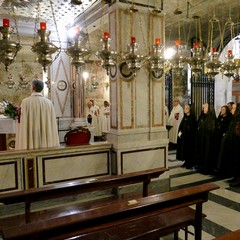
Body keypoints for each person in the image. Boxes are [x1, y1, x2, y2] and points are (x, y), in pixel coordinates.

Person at [15, 79, 59, 150]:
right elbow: (52, 121)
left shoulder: (25, 102)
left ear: (33, 87)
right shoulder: (49, 102)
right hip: (44, 133)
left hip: (31, 132)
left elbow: (23, 121)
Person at [193, 103, 216, 173]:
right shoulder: (203, 116)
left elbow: (211, 130)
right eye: (203, 108)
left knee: (207, 154)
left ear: (209, 108)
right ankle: (201, 166)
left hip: (208, 140)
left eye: (205, 108)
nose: (203, 109)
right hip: (202, 139)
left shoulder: (212, 118)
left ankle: (206, 168)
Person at [176, 104, 197, 169]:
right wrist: (179, 134)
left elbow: (193, 128)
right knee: (184, 149)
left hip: (190, 138)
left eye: (187, 108)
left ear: (190, 109)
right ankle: (185, 161)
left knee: (189, 150)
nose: (185, 109)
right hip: (184, 138)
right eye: (185, 108)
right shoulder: (184, 117)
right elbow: (181, 126)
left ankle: (189, 163)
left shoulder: (192, 117)